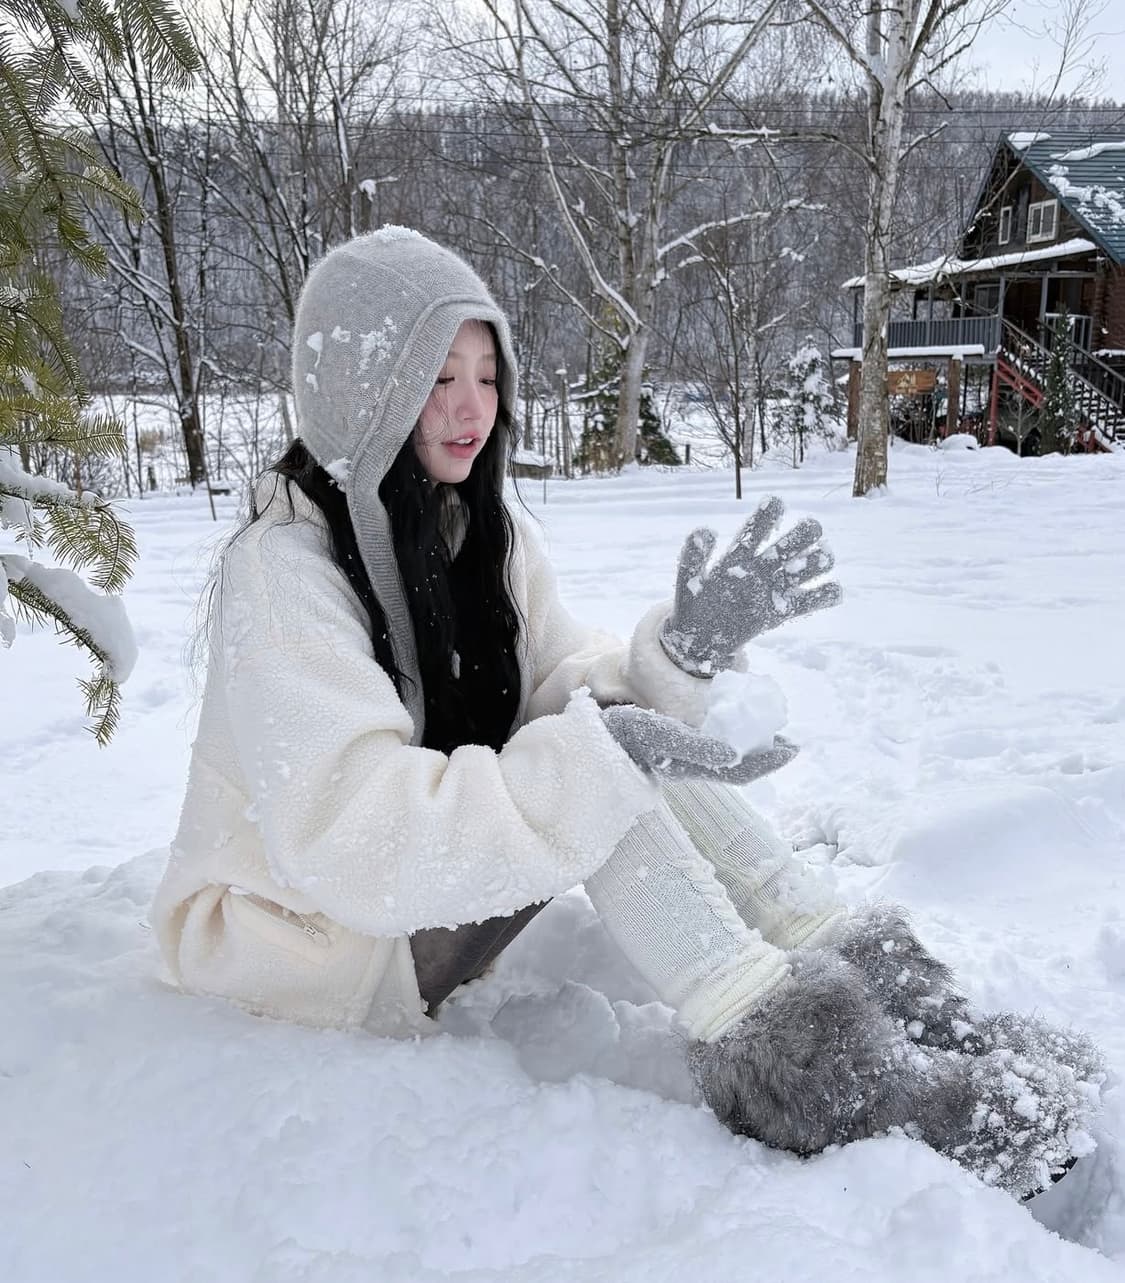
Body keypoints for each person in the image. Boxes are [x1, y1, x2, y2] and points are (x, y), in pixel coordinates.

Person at [153, 228, 1101, 1201]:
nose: (473, 407)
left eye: (488, 375)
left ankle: (897, 999)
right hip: (309, 944)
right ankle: (826, 1084)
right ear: (360, 391)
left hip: (405, 896)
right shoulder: (283, 574)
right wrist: (596, 760)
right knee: (594, 763)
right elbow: (352, 834)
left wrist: (677, 656)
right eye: (437, 378)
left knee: (594, 738)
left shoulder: (469, 525)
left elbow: (565, 679)